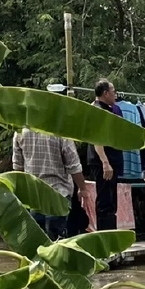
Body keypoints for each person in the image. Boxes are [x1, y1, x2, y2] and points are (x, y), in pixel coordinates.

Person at [11, 127, 84, 239]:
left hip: (34, 196)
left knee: (39, 240)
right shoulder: (60, 131)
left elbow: (17, 167)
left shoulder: (21, 131)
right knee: (57, 241)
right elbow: (74, 166)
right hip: (59, 195)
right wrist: (83, 188)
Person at [86, 78, 123, 232]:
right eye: (113, 91)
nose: (115, 94)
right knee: (105, 201)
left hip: (109, 161)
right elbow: (97, 139)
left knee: (111, 200)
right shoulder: (97, 110)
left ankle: (111, 233)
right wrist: (105, 162)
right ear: (105, 93)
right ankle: (105, 236)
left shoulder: (107, 108)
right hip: (103, 162)